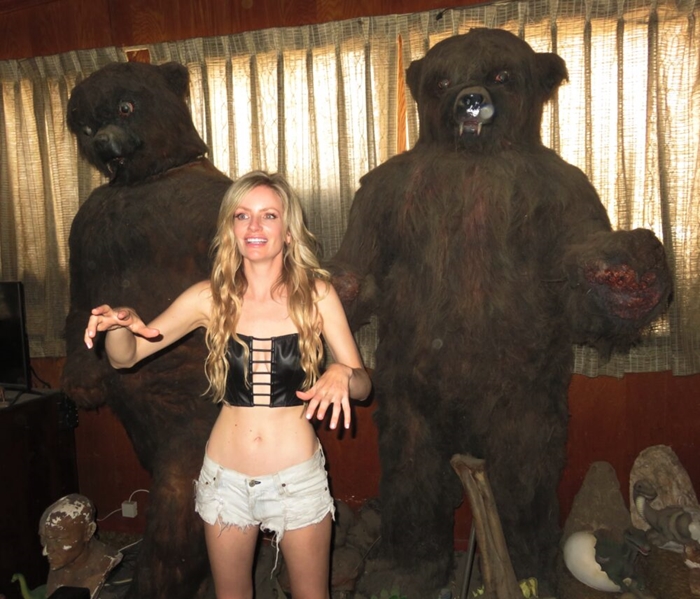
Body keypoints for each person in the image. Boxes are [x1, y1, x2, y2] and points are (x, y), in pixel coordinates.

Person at [83, 171, 372, 599]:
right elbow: (126, 357)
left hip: (296, 478)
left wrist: (343, 373)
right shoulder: (209, 297)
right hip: (225, 481)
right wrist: (120, 325)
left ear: (289, 231)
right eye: (242, 215)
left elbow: (364, 386)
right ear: (231, 229)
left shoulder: (317, 295)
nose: (254, 226)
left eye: (268, 215)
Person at [39, 494, 122, 599]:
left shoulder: (105, 569)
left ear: (88, 532)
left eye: (58, 540)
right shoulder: (61, 560)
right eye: (44, 539)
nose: (46, 551)